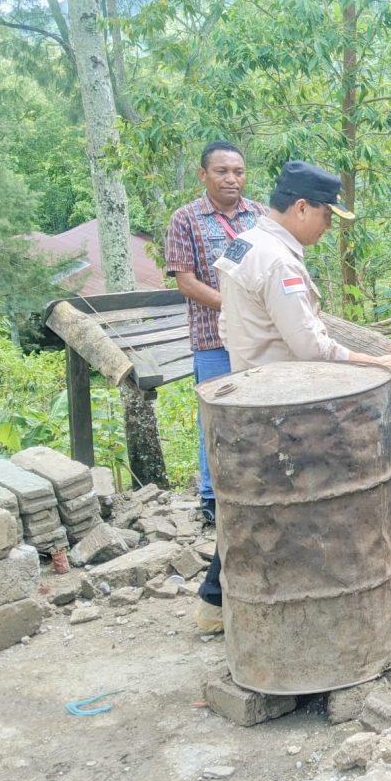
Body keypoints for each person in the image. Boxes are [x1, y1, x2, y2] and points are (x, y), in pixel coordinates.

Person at [192, 160, 391, 632]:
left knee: (261, 503)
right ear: (300, 207)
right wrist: (375, 362)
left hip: (253, 391)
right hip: (284, 402)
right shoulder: (276, 261)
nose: (329, 225)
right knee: (323, 490)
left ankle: (215, 601)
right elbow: (310, 345)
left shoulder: (246, 241)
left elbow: (230, 322)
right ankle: (361, 571)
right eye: (327, 215)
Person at [164, 141, 265, 523]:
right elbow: (186, 282)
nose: (231, 179)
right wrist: (235, 307)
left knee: (259, 410)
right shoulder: (185, 219)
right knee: (215, 415)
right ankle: (212, 494)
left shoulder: (259, 215)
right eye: (222, 171)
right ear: (203, 174)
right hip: (213, 338)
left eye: (238, 172)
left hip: (256, 337)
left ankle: (255, 487)